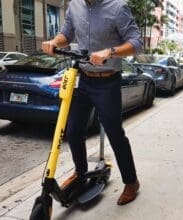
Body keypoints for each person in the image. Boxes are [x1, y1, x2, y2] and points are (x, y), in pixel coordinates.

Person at [41, 0, 142, 205]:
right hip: (82, 78)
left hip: (108, 81)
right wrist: (54, 42)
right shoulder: (75, 5)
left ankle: (131, 182)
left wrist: (110, 52)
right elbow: (66, 34)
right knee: (73, 131)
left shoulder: (117, 7)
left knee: (115, 134)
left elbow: (137, 43)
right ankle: (80, 173)